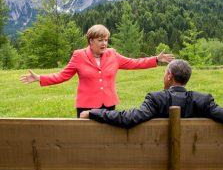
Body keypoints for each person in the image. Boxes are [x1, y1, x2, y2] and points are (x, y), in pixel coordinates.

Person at [20, 24, 174, 117]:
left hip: (108, 104)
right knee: (85, 139)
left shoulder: (112, 54)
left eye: (106, 40)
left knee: (107, 138)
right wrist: (40, 78)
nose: (104, 43)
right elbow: (63, 76)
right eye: (100, 40)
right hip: (86, 105)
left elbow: (133, 63)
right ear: (91, 41)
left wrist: (155, 59)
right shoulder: (78, 55)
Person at [80, 59, 223, 127]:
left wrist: (93, 112)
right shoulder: (203, 101)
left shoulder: (156, 99)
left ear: (169, 76)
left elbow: (128, 119)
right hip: (198, 169)